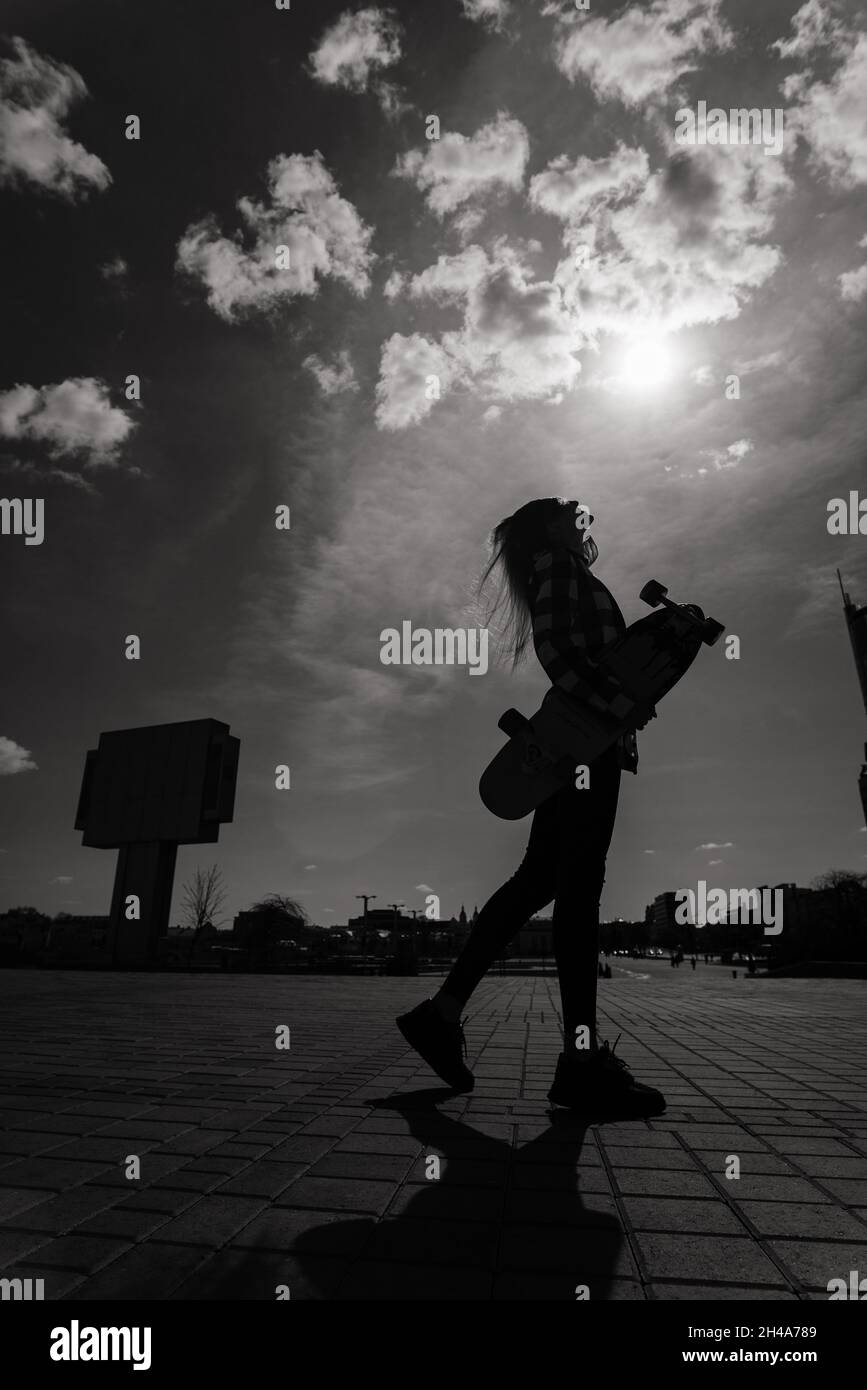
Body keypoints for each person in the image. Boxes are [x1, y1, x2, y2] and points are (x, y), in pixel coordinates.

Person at [396, 496, 666, 1118]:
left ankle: (441, 1017)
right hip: (583, 747)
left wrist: (625, 695)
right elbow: (557, 652)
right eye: (570, 510)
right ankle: (580, 1063)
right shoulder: (561, 571)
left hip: (575, 742)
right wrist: (616, 705)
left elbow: (589, 660)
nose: (582, 515)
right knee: (577, 894)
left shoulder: (558, 570)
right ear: (547, 525)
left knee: (536, 883)